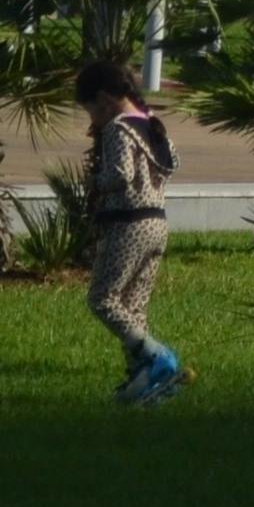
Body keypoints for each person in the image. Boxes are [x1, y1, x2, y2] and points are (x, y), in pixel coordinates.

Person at [74, 55, 186, 405]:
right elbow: (174, 163)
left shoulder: (117, 128)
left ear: (105, 100)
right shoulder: (151, 123)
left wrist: (93, 182)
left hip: (128, 223)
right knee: (133, 307)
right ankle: (142, 380)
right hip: (157, 223)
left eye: (90, 109)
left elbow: (120, 174)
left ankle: (158, 358)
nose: (92, 119)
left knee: (103, 300)